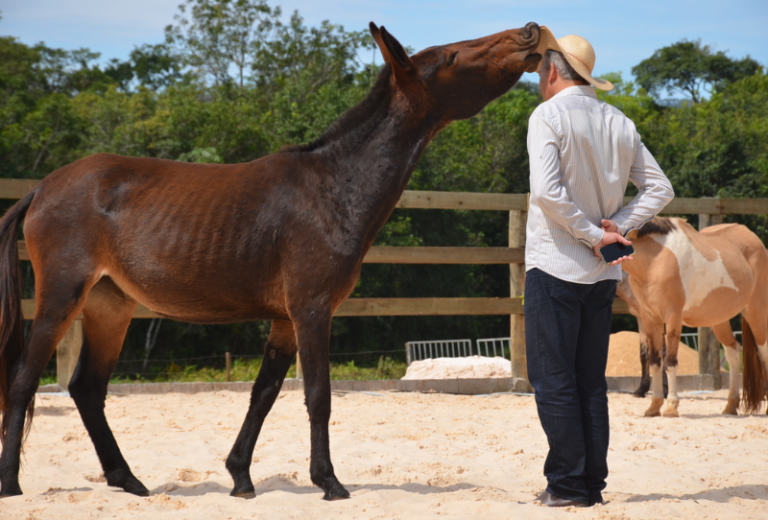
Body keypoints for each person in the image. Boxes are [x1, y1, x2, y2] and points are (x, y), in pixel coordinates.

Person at [524, 28, 674, 508]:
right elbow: (660, 188)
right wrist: (619, 229)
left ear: (551, 71)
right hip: (604, 271)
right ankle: (590, 485)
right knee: (589, 381)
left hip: (555, 265)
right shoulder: (620, 121)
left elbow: (546, 194)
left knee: (553, 380)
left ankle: (567, 486)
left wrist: (594, 234)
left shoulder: (547, 115)